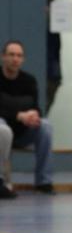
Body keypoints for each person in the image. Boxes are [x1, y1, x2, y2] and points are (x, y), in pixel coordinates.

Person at [0, 40, 54, 196]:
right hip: (2, 131)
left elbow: (35, 106)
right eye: (11, 55)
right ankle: (2, 181)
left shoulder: (29, 81)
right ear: (3, 57)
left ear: (22, 59)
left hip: (22, 133)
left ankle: (44, 182)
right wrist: (18, 114)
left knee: (45, 126)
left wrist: (34, 115)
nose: (15, 59)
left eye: (19, 55)